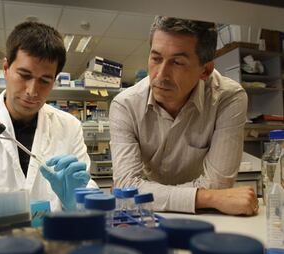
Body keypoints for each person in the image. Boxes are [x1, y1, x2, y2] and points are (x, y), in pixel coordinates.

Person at [0, 21, 96, 211]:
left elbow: (86, 193)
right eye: (24, 75)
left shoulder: (69, 126)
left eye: (45, 80)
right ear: (6, 69)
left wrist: (76, 202)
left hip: (52, 237)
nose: (32, 91)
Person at [109, 16, 258, 216]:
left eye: (177, 62)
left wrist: (143, 191)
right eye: (156, 58)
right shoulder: (125, 105)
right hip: (149, 216)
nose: (161, 74)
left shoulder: (229, 98)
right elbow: (126, 187)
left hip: (204, 217)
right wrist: (209, 197)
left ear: (205, 70)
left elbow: (219, 183)